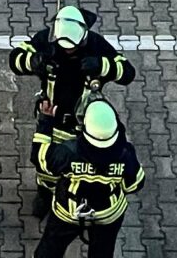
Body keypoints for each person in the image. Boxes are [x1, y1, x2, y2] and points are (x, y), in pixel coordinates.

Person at [10, 6, 133, 195]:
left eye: (72, 47)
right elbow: (15, 60)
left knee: (84, 164)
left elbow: (127, 72)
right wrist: (33, 60)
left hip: (85, 123)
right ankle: (45, 193)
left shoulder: (95, 44)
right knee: (47, 168)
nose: (67, 51)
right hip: (53, 116)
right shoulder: (46, 40)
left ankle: (75, 193)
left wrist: (102, 65)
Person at [33, 100, 146, 256]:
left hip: (69, 211)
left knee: (50, 249)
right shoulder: (125, 154)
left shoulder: (68, 152)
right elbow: (135, 185)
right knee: (102, 252)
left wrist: (45, 121)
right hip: (108, 214)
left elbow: (40, 158)